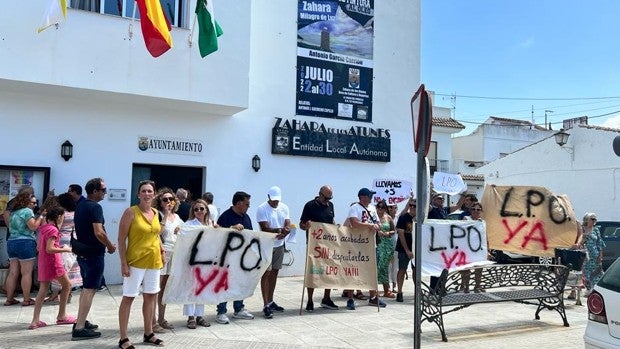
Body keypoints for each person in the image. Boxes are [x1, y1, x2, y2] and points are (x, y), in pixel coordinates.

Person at [117, 180, 165, 349]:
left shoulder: (156, 213)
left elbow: (156, 234)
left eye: (149, 191)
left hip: (154, 262)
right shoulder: (131, 212)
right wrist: (123, 263)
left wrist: (161, 250)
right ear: (138, 194)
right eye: (143, 191)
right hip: (135, 262)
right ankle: (123, 338)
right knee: (129, 297)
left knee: (151, 297)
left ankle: (148, 332)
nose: (146, 194)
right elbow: (121, 239)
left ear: (154, 194)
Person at [72, 177, 116, 341]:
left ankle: (80, 320)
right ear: (95, 191)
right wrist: (110, 246)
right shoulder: (95, 207)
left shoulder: (81, 204)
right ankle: (80, 328)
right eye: (103, 190)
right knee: (90, 290)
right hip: (93, 254)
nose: (105, 193)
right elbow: (98, 232)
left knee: (86, 289)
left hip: (83, 252)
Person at [29, 206, 76, 330]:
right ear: (59, 217)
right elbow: (49, 249)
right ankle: (62, 316)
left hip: (43, 262)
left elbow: (40, 248)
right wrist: (65, 249)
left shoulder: (43, 228)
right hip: (54, 262)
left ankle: (35, 320)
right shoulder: (53, 230)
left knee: (43, 290)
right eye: (63, 217)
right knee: (67, 286)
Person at [215, 191, 255, 324]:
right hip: (227, 258)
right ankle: (221, 312)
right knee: (224, 284)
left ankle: (239, 309)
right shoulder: (225, 217)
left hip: (242, 258)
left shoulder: (246, 217)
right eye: (247, 204)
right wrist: (231, 228)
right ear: (239, 204)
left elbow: (251, 235)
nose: (248, 207)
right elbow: (218, 234)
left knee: (240, 282)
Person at [344, 188, 386, 309]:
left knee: (372, 271)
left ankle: (373, 297)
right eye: (369, 195)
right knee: (353, 270)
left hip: (371, 244)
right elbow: (354, 223)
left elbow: (378, 222)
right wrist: (370, 225)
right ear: (363, 197)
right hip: (357, 244)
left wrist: (378, 226)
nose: (371, 198)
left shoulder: (372, 208)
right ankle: (351, 298)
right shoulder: (354, 208)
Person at [299, 185, 340, 312]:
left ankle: (326, 298)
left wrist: (335, 226)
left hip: (328, 244)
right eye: (326, 198)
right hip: (315, 245)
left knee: (330, 270)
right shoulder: (310, 206)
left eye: (330, 198)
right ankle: (310, 300)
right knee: (313, 271)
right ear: (320, 194)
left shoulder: (331, 206)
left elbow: (331, 221)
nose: (328, 201)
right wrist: (306, 226)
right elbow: (301, 224)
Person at [4, 191, 45, 306]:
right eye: (33, 202)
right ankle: (27, 300)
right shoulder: (27, 211)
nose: (35, 205)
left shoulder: (14, 213)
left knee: (13, 272)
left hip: (12, 242)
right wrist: (41, 216)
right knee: (26, 273)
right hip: (25, 242)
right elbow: (33, 227)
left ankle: (9, 299)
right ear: (26, 202)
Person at [256, 186, 291, 319]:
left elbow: (288, 223)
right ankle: (265, 304)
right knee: (266, 273)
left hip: (280, 244)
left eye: (278, 200)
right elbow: (264, 227)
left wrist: (285, 231)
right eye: (274, 200)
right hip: (267, 244)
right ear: (268, 197)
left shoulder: (284, 207)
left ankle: (270, 300)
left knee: (275, 272)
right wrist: (279, 231)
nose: (276, 202)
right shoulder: (262, 208)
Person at [153, 188, 183, 331]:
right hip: (161, 253)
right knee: (155, 288)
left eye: (170, 199)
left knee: (165, 289)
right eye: (165, 199)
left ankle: (161, 318)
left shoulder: (177, 217)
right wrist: (165, 215)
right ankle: (152, 321)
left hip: (174, 253)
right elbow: (157, 232)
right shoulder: (157, 214)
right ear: (160, 201)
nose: (168, 202)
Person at [183, 199, 215, 329]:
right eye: (196, 209)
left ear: (206, 210)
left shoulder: (211, 224)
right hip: (192, 260)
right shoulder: (189, 224)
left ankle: (200, 315)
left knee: (203, 287)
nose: (199, 211)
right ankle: (190, 316)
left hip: (206, 260)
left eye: (201, 208)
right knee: (191, 288)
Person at [46, 193, 82, 303]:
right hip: (73, 240)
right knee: (69, 266)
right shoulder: (76, 213)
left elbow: (58, 227)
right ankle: (68, 293)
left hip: (62, 239)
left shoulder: (62, 213)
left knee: (60, 267)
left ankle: (55, 294)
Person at [395, 198, 416, 302]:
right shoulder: (403, 217)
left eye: (415, 206)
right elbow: (401, 234)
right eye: (411, 205)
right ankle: (399, 292)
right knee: (402, 269)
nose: (412, 207)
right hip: (404, 248)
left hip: (416, 249)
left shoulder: (420, 219)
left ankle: (417, 292)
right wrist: (407, 250)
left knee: (416, 271)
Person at [375, 200, 396, 298]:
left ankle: (386, 289)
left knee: (384, 267)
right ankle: (375, 290)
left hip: (387, 245)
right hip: (377, 244)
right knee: (377, 267)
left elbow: (393, 230)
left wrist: (387, 233)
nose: (380, 209)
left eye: (382, 207)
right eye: (379, 207)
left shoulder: (388, 217)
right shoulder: (373, 217)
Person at [582, 212, 605, 296]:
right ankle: (589, 290)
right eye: (592, 219)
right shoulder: (582, 229)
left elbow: (599, 243)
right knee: (586, 274)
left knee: (598, 273)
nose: (594, 221)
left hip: (595, 256)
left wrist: (600, 255)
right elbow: (578, 242)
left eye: (595, 219)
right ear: (587, 219)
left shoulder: (596, 230)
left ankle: (597, 290)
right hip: (585, 256)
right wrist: (584, 237)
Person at [387, 204, 400, 293]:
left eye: (395, 207)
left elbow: (406, 209)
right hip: (386, 245)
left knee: (395, 266)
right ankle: (387, 286)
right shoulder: (384, 218)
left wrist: (410, 198)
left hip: (396, 245)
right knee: (388, 266)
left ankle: (394, 285)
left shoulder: (398, 218)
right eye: (390, 207)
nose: (393, 209)